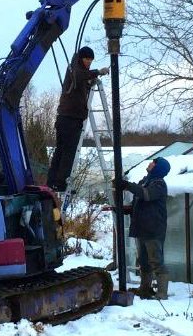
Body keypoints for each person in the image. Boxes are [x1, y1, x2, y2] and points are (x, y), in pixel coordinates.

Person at [46, 46, 109, 191]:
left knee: (61, 151)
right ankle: (60, 183)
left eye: (91, 60)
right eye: (87, 59)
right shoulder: (74, 69)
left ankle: (52, 182)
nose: (89, 63)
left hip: (67, 118)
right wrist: (97, 72)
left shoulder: (78, 71)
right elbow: (79, 76)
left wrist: (89, 82)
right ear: (81, 58)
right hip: (70, 118)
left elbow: (80, 84)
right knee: (68, 152)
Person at [120, 157, 171, 299]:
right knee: (143, 261)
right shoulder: (146, 181)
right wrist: (124, 209)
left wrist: (127, 185)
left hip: (153, 230)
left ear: (158, 168)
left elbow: (146, 195)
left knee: (156, 261)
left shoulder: (159, 184)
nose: (150, 164)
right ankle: (145, 289)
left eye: (154, 163)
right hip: (142, 228)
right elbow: (140, 202)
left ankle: (162, 293)